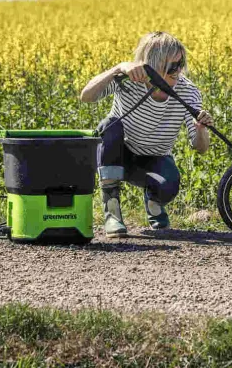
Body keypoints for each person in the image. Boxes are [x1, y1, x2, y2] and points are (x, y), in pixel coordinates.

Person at [79, 32, 214, 237]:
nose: (178, 72)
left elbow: (200, 147)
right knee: (109, 125)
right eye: (172, 66)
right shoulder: (128, 80)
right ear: (153, 63)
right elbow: (86, 96)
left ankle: (153, 200)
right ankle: (112, 211)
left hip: (155, 159)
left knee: (170, 184)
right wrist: (118, 68)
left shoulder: (188, 91)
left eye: (181, 64)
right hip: (118, 156)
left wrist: (200, 129)